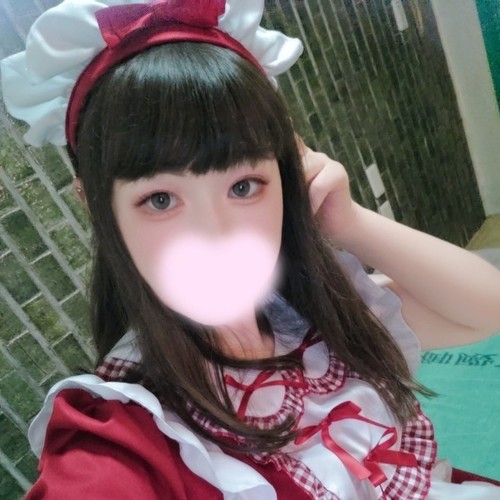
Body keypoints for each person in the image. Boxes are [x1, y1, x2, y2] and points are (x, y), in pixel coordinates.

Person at [2, 1, 500, 498]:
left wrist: (348, 222)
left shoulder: (309, 321)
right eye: (160, 199)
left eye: (244, 186)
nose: (216, 236)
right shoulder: (125, 434)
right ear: (95, 204)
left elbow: (486, 308)